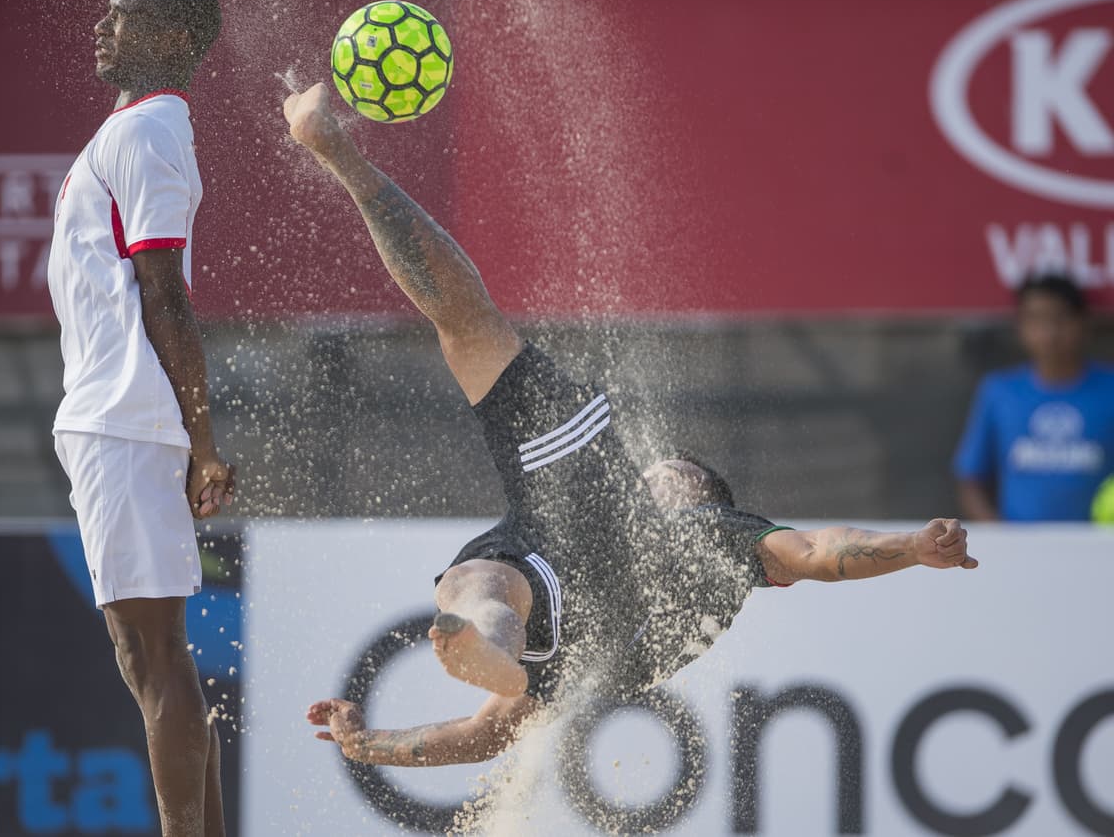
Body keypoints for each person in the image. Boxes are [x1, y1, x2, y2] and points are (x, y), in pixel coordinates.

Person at [282, 83, 977, 768]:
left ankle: (494, 642)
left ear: (706, 494)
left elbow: (820, 550)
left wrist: (912, 546)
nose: (662, 465)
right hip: (561, 527)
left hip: (598, 599)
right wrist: (364, 744)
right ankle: (489, 646)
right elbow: (484, 736)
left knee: (487, 568)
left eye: (679, 470)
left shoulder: (717, 539)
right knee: (475, 556)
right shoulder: (628, 499)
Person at [47, 0, 233, 834]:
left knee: (153, 659)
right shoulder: (138, 130)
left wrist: (203, 442)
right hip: (122, 418)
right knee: (161, 661)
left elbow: (166, 298)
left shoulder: (148, 129)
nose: (101, 23)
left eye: (120, 11)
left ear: (170, 31)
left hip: (125, 418)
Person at [955, 276, 1114, 522]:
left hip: (1099, 548)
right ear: (1020, 327)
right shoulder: (999, 391)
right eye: (1036, 320)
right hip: (1023, 549)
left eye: (1061, 318)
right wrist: (1002, 538)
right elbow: (971, 479)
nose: (1049, 333)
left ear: (1083, 322)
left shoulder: (1109, 388)